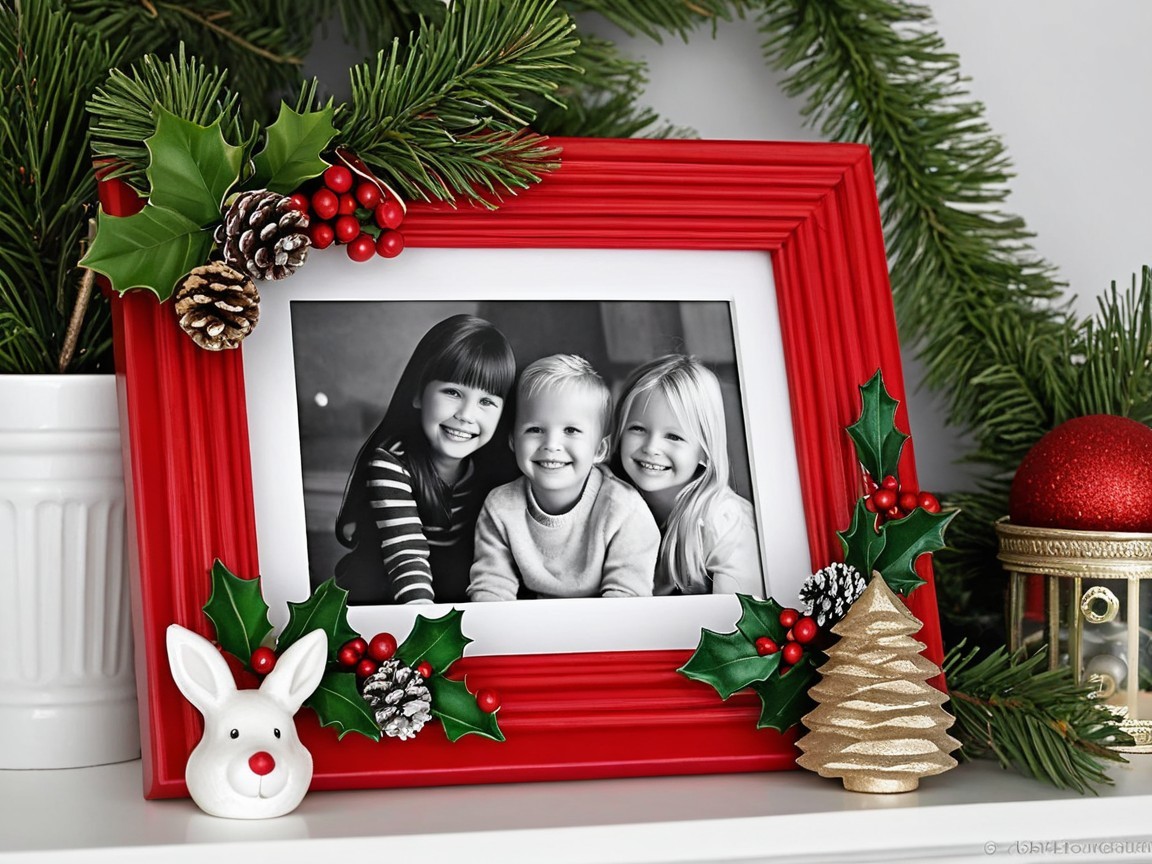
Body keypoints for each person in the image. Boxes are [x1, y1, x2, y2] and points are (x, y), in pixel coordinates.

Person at [334, 314, 516, 605]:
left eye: (486, 401)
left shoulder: (495, 467)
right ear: (418, 393)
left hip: (450, 583)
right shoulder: (392, 461)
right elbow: (407, 556)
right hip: (384, 586)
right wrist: (423, 621)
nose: (467, 415)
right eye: (453, 392)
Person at [467, 354, 659, 601]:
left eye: (571, 430)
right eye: (535, 430)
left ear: (599, 450)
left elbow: (627, 597)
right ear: (513, 441)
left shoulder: (624, 509)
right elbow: (491, 587)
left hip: (605, 628)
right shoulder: (501, 506)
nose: (551, 444)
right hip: (532, 628)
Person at [613, 354, 763, 596]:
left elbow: (738, 620)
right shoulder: (610, 501)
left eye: (673, 436)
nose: (651, 447)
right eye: (638, 429)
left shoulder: (724, 521)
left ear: (704, 451)